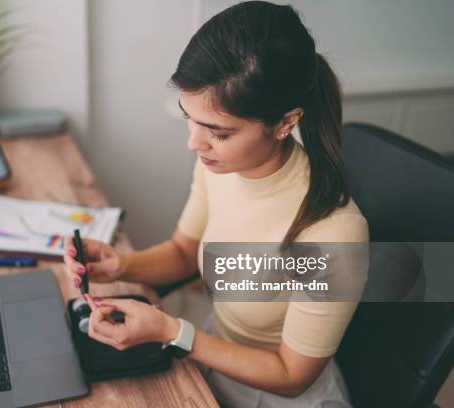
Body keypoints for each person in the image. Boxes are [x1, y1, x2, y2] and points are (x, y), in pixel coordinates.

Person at [64, 1, 368, 406]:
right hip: (211, 357)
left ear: (285, 122)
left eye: (219, 133)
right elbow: (183, 252)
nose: (194, 143)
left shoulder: (334, 232)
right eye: (187, 116)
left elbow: (292, 375)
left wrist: (174, 333)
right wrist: (121, 264)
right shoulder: (219, 167)